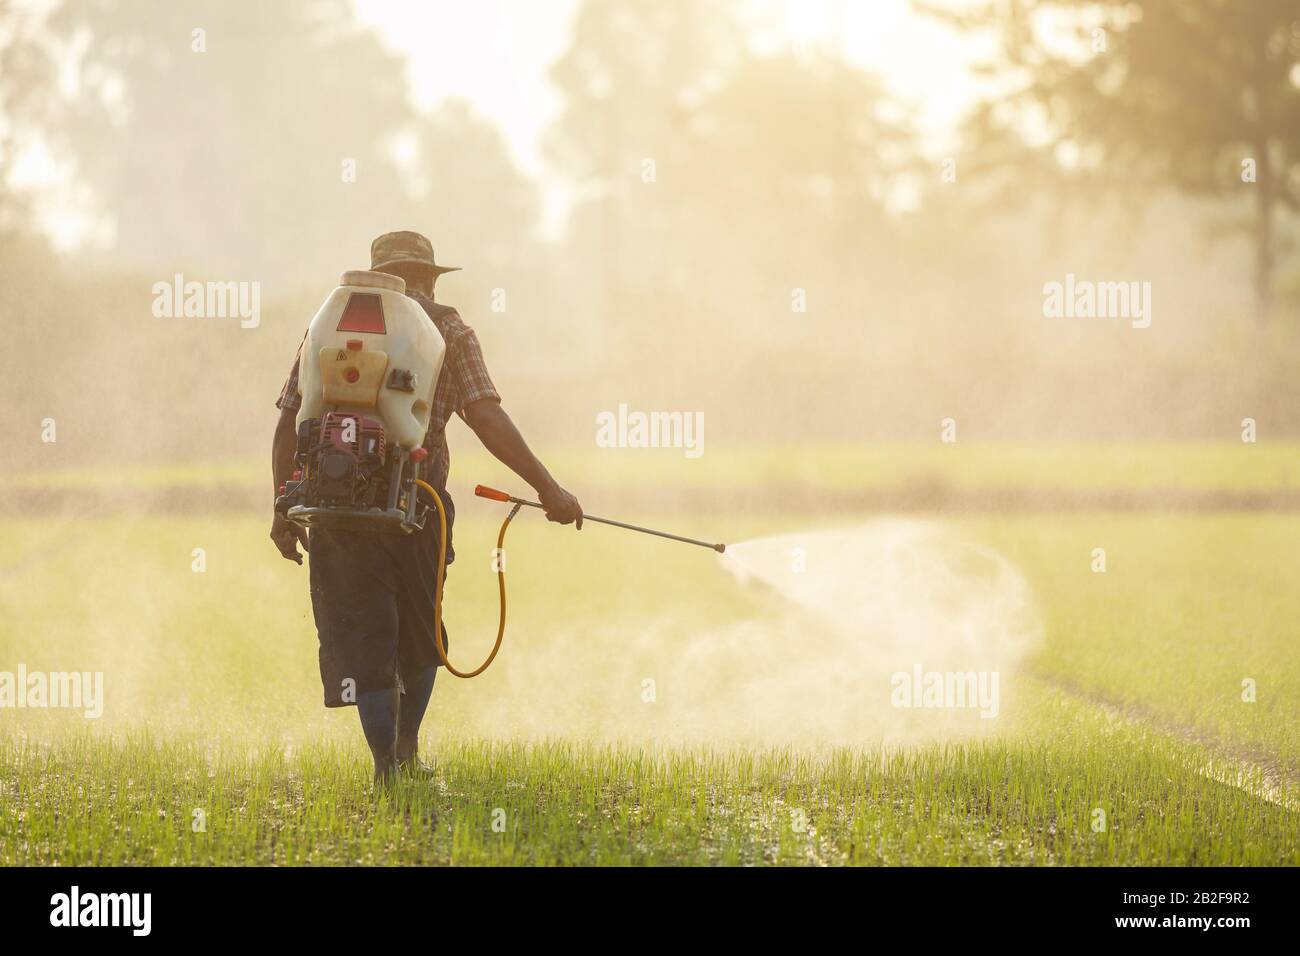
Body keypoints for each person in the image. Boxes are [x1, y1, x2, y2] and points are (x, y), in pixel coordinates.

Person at [269, 230, 582, 784]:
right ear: (429, 278)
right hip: (419, 506)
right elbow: (486, 418)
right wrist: (549, 489)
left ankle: (385, 765)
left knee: (366, 638)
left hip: (337, 512)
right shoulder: (450, 331)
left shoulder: (329, 327)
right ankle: (407, 753)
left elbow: (290, 423)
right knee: (419, 634)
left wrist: (281, 507)